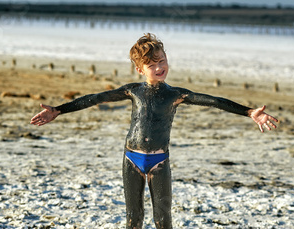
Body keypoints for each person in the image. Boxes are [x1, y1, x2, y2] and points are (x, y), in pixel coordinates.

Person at [30, 33, 278, 229]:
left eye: (162, 61)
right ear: (140, 69)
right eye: (152, 64)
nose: (159, 67)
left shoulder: (176, 94)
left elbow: (213, 100)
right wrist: (59, 110)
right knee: (133, 218)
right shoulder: (133, 91)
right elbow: (95, 98)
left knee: (163, 219)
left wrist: (248, 112)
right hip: (131, 158)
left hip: (159, 161)